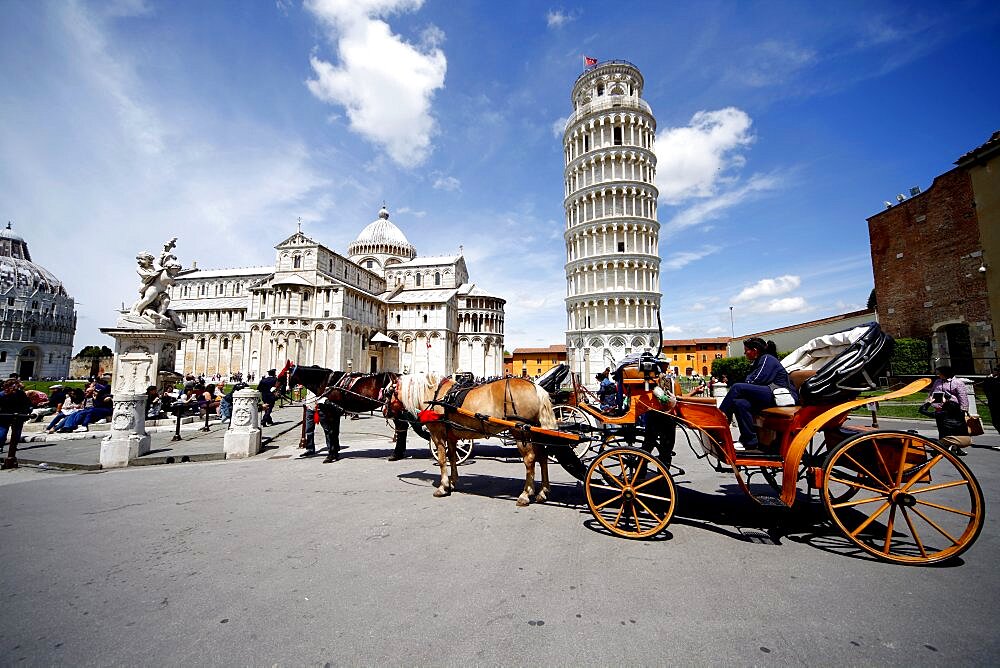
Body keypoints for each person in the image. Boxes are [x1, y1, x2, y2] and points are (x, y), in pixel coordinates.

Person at [719, 338, 797, 451]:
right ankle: (749, 440)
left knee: (737, 387)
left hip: (780, 396)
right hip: (770, 394)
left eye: (746, 351)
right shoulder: (759, 361)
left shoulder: (767, 359)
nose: (745, 353)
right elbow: (751, 381)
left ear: (755, 350)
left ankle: (721, 419)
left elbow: (756, 380)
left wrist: (745, 387)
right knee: (740, 403)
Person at [919, 365, 971, 456]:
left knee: (955, 429)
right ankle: (943, 447)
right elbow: (932, 392)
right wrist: (928, 400)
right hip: (940, 407)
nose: (938, 375)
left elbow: (962, 396)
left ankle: (956, 447)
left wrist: (964, 409)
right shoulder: (938, 381)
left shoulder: (957, 382)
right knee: (942, 428)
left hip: (953, 409)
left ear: (946, 373)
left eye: (940, 373)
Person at [0, 378, 32, 451]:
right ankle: (13, 446)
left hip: (4, 415)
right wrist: (27, 412)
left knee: (2, 430)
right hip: (18, 415)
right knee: (16, 431)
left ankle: (0, 446)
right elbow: (27, 404)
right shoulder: (21, 393)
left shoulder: (2, 394)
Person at [983, 368, 1000, 434]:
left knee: (996, 422)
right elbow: (986, 389)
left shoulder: (994, 380)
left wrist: (988, 378)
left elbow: (986, 387)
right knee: (995, 422)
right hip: (994, 404)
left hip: (995, 403)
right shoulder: (993, 380)